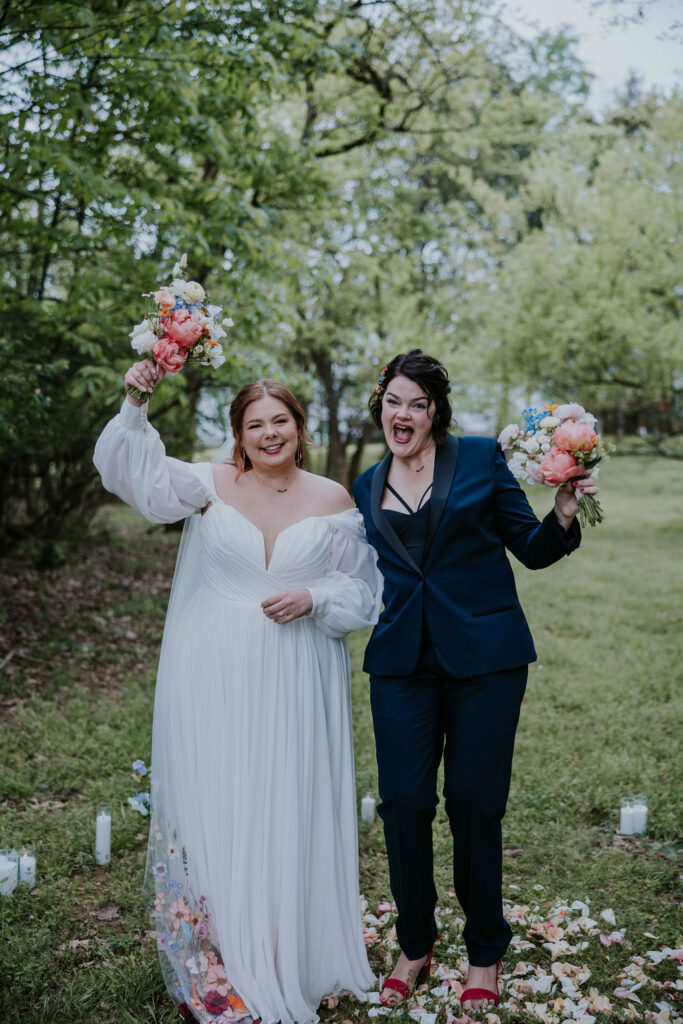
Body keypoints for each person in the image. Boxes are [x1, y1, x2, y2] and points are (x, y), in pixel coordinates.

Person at [93, 359, 382, 1024]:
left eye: (280, 420)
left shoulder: (334, 500)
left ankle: (289, 946)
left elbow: (365, 590)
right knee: (219, 799)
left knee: (285, 794)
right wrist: (136, 400)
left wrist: (313, 596)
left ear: (299, 428)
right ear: (239, 436)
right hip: (212, 672)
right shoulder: (209, 484)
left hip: (296, 674)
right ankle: (219, 950)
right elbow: (130, 474)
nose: (269, 433)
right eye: (255, 424)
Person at [352, 350, 598, 1013]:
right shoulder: (363, 484)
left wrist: (564, 512)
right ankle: (415, 941)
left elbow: (534, 550)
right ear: (379, 406)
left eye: (416, 404)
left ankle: (485, 950)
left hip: (485, 662)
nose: (402, 415)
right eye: (392, 402)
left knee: (472, 804)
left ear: (436, 412)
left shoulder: (482, 459)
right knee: (402, 803)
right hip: (400, 665)